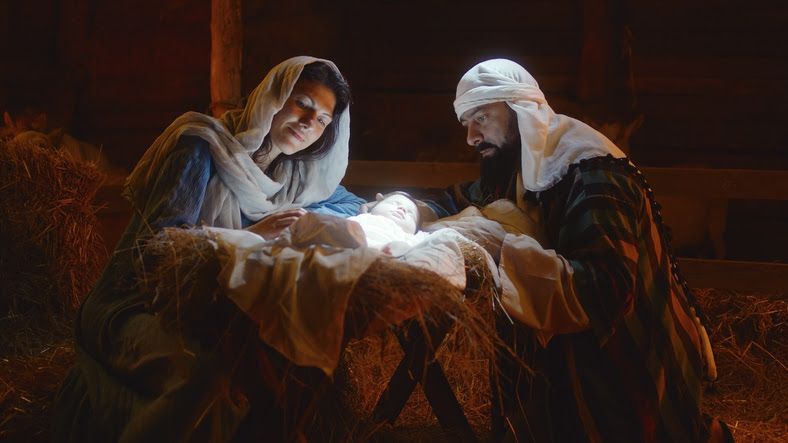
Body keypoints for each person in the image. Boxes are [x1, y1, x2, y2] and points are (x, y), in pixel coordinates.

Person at [52, 56, 365, 442]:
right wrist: (252, 234)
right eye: (303, 103)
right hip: (132, 304)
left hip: (200, 312)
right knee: (208, 375)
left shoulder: (290, 177)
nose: (308, 123)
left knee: (265, 381)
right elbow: (158, 248)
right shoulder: (201, 145)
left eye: (322, 120)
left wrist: (398, 209)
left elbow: (351, 204)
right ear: (274, 95)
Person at [424, 59, 728, 442]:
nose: (471, 136)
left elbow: (607, 289)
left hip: (624, 361)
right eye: (466, 123)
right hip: (568, 367)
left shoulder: (592, 172)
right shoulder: (527, 168)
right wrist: (404, 209)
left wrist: (502, 249)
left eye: (481, 118)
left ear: (521, 111)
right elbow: (459, 198)